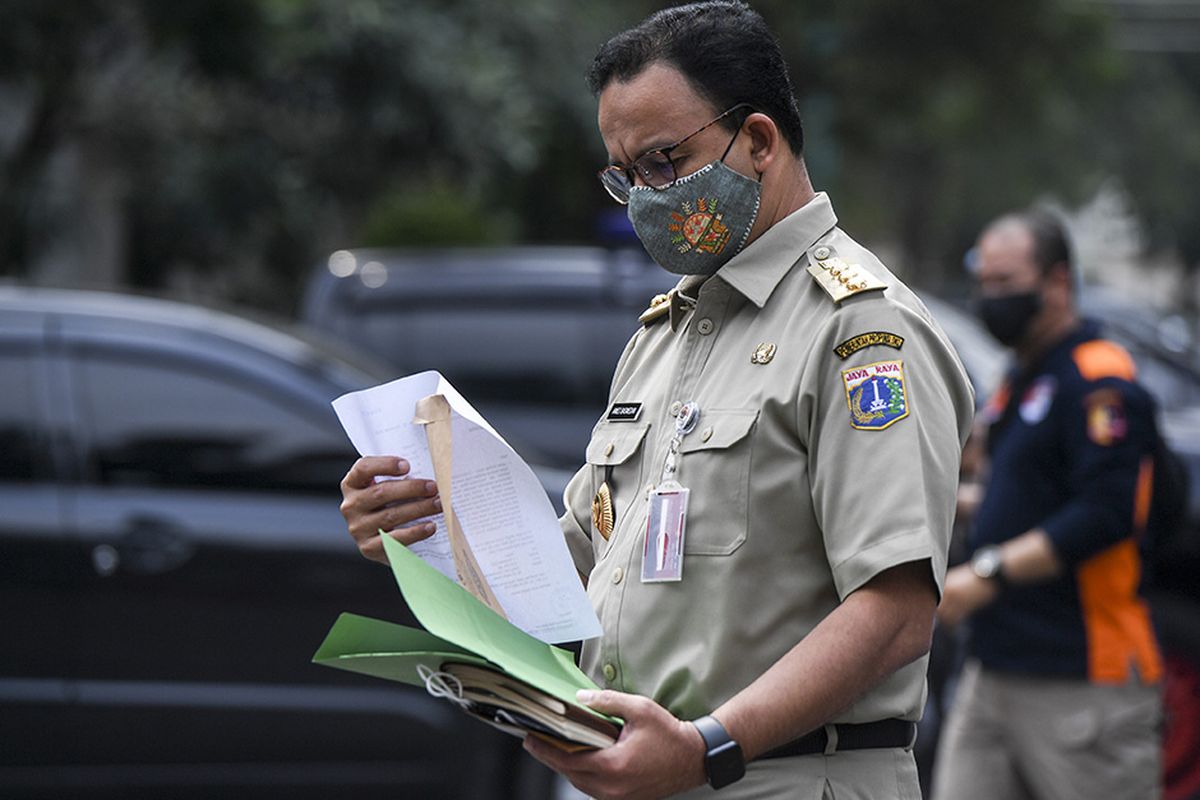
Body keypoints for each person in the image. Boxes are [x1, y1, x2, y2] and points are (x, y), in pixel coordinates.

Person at [339, 2, 974, 797]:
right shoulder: (666, 333)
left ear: (759, 141)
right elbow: (571, 573)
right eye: (627, 174)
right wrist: (421, 531)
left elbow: (895, 610)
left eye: (665, 162)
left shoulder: (859, 331)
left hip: (784, 776)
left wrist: (707, 747)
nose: (645, 195)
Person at [933, 210, 1163, 800]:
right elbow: (1023, 500)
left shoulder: (1099, 377)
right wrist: (942, 502)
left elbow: (1106, 513)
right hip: (994, 668)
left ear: (1058, 282)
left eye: (1006, 283)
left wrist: (986, 573)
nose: (990, 298)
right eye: (984, 282)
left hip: (1080, 674)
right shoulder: (1025, 378)